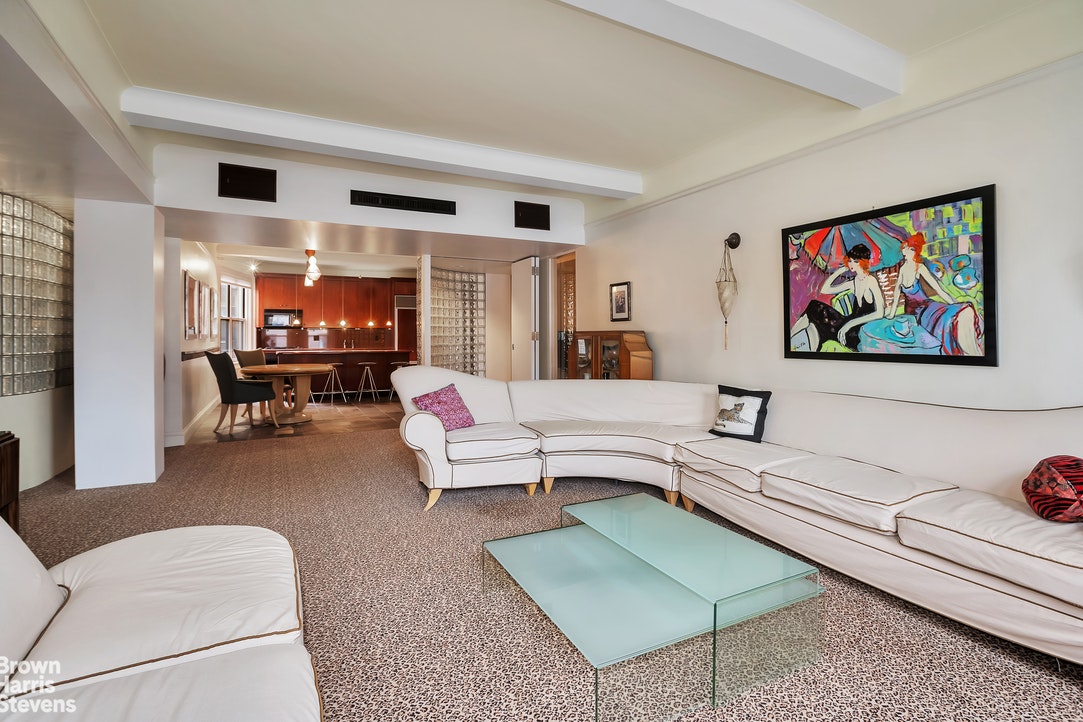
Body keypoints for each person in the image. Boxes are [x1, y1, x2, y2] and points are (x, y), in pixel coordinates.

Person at [887, 233, 982, 356]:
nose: (903, 250)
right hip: (919, 313)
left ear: (913, 250)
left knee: (963, 311)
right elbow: (896, 294)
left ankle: (973, 352)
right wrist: (891, 314)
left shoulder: (919, 267)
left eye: (906, 248)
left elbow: (938, 289)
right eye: (904, 247)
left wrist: (953, 303)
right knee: (955, 316)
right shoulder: (902, 269)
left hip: (928, 306)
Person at [790, 243, 885, 352]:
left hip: (858, 331)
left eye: (856, 261)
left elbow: (880, 313)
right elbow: (825, 289)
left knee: (817, 324)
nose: (851, 264)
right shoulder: (853, 282)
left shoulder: (871, 281)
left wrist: (849, 325)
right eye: (850, 260)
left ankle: (794, 340)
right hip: (847, 324)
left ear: (864, 262)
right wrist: (840, 271)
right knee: (814, 307)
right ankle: (791, 336)